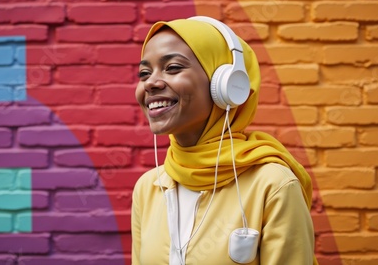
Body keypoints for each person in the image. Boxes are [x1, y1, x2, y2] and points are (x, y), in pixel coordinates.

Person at [131, 16, 317, 265]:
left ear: (226, 85)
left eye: (173, 68)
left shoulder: (273, 185)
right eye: (144, 73)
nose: (151, 83)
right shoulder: (148, 188)